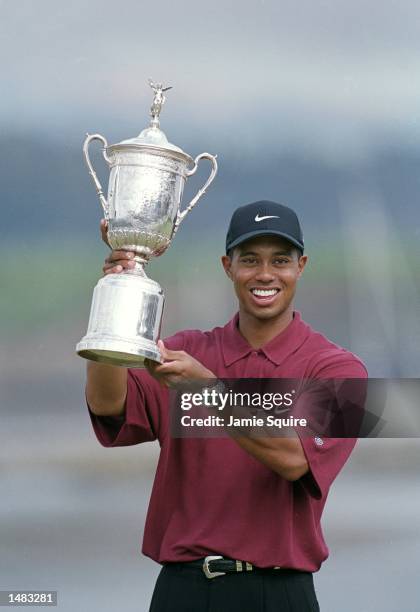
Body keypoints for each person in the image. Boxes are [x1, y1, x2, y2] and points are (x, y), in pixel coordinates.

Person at [86, 200, 368, 612]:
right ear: (227, 266)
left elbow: (294, 458)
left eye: (281, 260)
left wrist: (208, 391)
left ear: (301, 266)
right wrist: (113, 303)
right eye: (250, 259)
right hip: (180, 590)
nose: (266, 274)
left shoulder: (342, 371)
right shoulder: (187, 351)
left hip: (278, 593)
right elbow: (108, 404)